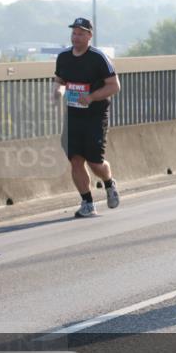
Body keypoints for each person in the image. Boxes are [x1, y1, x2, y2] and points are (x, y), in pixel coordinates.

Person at [52, 17, 121, 218]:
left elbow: (114, 86)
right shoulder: (63, 57)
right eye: (74, 33)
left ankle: (109, 182)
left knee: (94, 162)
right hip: (73, 116)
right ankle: (87, 203)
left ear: (89, 35)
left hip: (95, 116)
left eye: (81, 33)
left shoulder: (99, 58)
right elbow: (59, 79)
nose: (76, 37)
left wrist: (90, 97)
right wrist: (57, 91)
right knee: (75, 160)